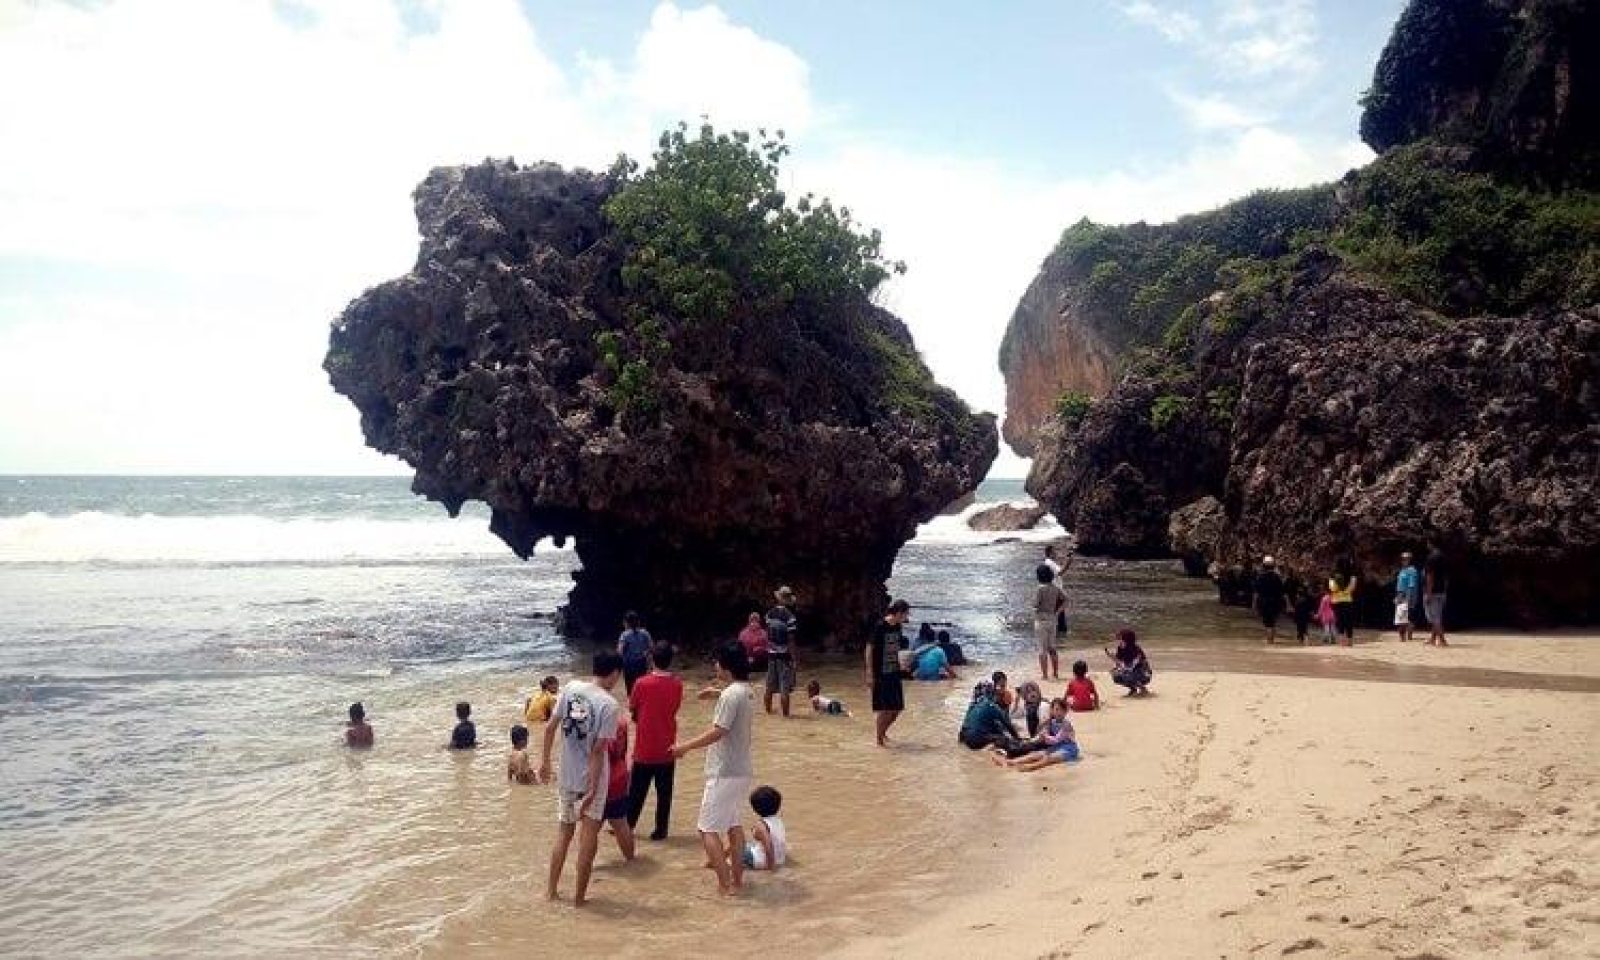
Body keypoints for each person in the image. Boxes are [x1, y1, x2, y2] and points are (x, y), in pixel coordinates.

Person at [539, 652, 624, 906]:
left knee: (563, 834)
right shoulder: (609, 705)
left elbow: (549, 728)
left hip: (567, 775)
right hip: (591, 780)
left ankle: (551, 892)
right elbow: (598, 751)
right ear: (615, 674)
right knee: (588, 840)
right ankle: (578, 899)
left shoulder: (571, 687)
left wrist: (545, 763)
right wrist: (593, 788)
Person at [672, 645, 756, 897]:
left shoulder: (731, 695)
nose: (715, 667)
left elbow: (718, 731)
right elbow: (733, 699)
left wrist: (685, 746)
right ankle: (737, 881)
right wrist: (717, 693)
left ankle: (725, 884)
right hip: (741, 769)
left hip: (725, 770)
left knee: (707, 829)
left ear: (727, 666)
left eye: (718, 663)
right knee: (733, 825)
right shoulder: (747, 692)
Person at [627, 644, 683, 841]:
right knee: (664, 793)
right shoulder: (677, 684)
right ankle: (661, 830)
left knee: (636, 792)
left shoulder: (641, 683)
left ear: (651, 659)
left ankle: (628, 826)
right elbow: (674, 709)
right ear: (670, 661)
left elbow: (633, 709)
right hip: (667, 746)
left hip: (644, 747)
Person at [866, 599, 911, 747]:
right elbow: (869, 649)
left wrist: (902, 666)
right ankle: (879, 740)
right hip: (880, 673)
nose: (907, 617)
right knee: (885, 709)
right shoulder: (880, 626)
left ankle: (883, 732)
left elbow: (896, 648)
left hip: (894, 672)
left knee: (897, 708)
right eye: (906, 614)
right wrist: (869, 672)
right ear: (898, 613)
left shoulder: (898, 627)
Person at [992, 698, 1079, 771]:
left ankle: (1030, 767)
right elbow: (1043, 737)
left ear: (1065, 712)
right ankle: (1010, 762)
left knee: (1048, 759)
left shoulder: (1066, 725)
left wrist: (1045, 736)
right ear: (1051, 710)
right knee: (1036, 754)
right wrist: (1034, 739)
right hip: (1058, 746)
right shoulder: (1051, 722)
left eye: (1060, 710)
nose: (1057, 712)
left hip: (1069, 749)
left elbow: (1056, 740)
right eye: (1055, 709)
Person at [601, 712, 637, 862]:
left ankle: (585, 866)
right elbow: (622, 751)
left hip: (602, 779)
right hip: (619, 775)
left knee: (590, 828)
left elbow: (600, 754)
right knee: (621, 823)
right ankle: (631, 861)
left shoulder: (598, 722)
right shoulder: (620, 720)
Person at [957, 680, 1025, 754]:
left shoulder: (972, 705)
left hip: (966, 738)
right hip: (976, 740)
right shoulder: (992, 705)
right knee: (1003, 739)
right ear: (993, 693)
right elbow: (1008, 724)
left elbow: (964, 726)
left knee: (995, 728)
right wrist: (1018, 739)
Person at [764, 587, 799, 717]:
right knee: (785, 688)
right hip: (784, 657)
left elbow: (768, 635)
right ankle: (786, 717)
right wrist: (794, 658)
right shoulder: (790, 618)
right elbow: (791, 641)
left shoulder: (769, 614)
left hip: (771, 655)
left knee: (769, 686)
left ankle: (768, 712)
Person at [742, 785, 788, 872]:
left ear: (755, 809)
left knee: (738, 845)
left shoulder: (761, 824)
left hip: (763, 861)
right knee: (750, 845)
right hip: (781, 859)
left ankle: (725, 862)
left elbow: (768, 845)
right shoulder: (779, 821)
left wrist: (771, 867)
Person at [1033, 564, 1067, 680]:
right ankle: (1055, 673)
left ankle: (1045, 675)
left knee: (1042, 649)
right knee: (1052, 647)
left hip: (1041, 620)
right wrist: (1058, 612)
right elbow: (1066, 600)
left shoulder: (1040, 588)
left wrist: (1035, 608)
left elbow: (1036, 604)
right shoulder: (1056, 588)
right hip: (1053, 619)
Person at [1106, 629, 1151, 696]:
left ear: (1126, 639)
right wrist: (1112, 657)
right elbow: (1120, 662)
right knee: (1116, 675)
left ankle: (1143, 688)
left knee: (1127, 674)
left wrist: (1124, 668)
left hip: (1143, 672)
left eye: (1120, 638)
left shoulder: (1136, 648)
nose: (1118, 640)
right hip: (1131, 670)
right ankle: (1133, 689)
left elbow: (1137, 663)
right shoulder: (1120, 648)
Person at [617, 612, 653, 694]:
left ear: (626, 623)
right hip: (642, 665)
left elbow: (620, 651)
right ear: (638, 622)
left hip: (629, 666)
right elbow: (651, 647)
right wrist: (645, 655)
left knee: (631, 690)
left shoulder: (624, 635)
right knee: (642, 688)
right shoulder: (645, 633)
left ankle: (633, 705)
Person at [1254, 556, 1286, 645]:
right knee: (1272, 622)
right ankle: (1271, 640)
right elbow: (1282, 592)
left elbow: (1256, 592)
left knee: (1268, 623)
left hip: (1264, 602)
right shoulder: (1278, 577)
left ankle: (1269, 641)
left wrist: (1254, 604)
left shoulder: (1260, 577)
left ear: (1264, 566)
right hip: (1275, 602)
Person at [1423, 547, 1449, 647]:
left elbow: (1430, 577)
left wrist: (1428, 594)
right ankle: (1433, 638)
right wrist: (1444, 590)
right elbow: (1446, 578)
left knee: (1434, 618)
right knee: (1437, 616)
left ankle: (1442, 640)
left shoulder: (1431, 558)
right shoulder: (1444, 558)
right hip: (1442, 592)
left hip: (1433, 593)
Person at [1329, 562, 1358, 646]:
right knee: (1348, 620)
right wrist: (1345, 591)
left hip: (1337, 601)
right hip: (1347, 600)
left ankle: (1342, 641)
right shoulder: (1352, 575)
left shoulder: (1333, 575)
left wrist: (1339, 589)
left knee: (1339, 620)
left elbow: (1332, 588)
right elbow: (1352, 588)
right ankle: (1350, 641)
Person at [1395, 551, 1420, 643]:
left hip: (1407, 595)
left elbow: (1411, 586)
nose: (1404, 560)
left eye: (1406, 559)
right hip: (1400, 595)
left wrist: (1409, 599)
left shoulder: (1412, 571)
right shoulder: (1402, 570)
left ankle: (1408, 636)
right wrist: (1397, 596)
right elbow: (1400, 585)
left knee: (1407, 616)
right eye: (1403, 559)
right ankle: (1403, 636)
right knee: (1401, 616)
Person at [1291, 581, 1315, 645]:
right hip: (1305, 614)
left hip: (1299, 614)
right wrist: (1312, 613)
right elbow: (1311, 606)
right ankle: (1305, 639)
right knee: (1304, 627)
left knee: (1300, 627)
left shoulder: (1298, 597)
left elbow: (1295, 606)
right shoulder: (1309, 597)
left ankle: (1301, 639)